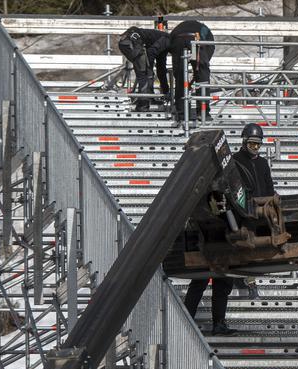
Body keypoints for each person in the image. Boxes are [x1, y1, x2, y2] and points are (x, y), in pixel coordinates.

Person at [184, 123, 275, 335]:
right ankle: (186, 318)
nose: (254, 147)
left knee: (223, 281)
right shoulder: (233, 162)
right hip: (223, 224)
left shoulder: (262, 164)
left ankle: (219, 323)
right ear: (244, 141)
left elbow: (268, 190)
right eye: (251, 143)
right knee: (201, 277)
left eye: (258, 144)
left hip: (247, 223)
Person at [167, 19, 215, 121]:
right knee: (203, 78)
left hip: (178, 41)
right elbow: (210, 48)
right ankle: (203, 112)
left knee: (180, 78)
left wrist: (180, 65)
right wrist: (200, 70)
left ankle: (181, 113)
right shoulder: (204, 29)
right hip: (195, 40)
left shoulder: (178, 28)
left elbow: (170, 45)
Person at [117, 27, 170, 111]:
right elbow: (152, 54)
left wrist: (166, 90)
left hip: (125, 42)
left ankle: (149, 99)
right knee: (144, 74)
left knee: (146, 73)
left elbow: (161, 68)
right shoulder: (167, 40)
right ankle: (143, 105)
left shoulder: (161, 40)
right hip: (133, 43)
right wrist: (166, 92)